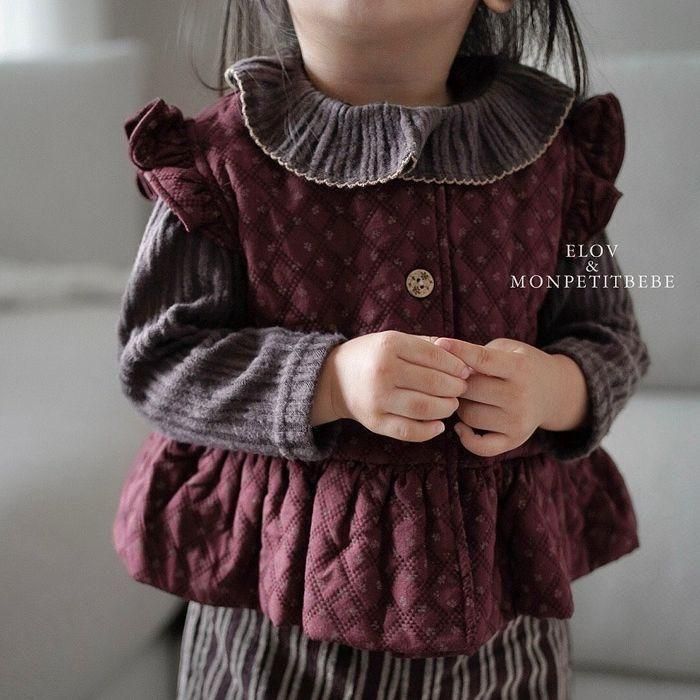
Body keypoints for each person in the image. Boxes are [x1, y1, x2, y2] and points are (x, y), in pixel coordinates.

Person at [111, 0, 651, 697]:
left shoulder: (554, 160)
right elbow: (161, 358)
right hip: (275, 620)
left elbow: (611, 338)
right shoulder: (220, 162)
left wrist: (551, 389)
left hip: (501, 626)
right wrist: (326, 382)